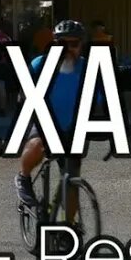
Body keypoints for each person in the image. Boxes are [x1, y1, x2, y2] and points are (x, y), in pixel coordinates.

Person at [13, 20, 103, 218]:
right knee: (38, 144)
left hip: (73, 128)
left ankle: (68, 229)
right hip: (44, 121)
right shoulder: (40, 64)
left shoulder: (89, 69)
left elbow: (100, 101)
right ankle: (23, 177)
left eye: (74, 44)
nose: (68, 49)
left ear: (81, 45)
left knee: (71, 182)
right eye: (63, 44)